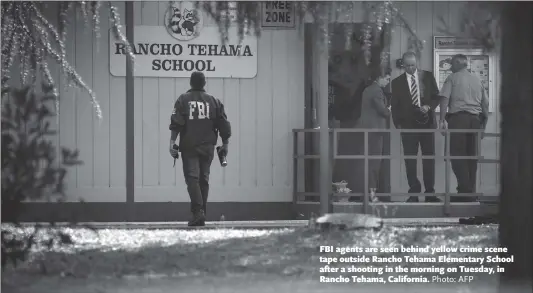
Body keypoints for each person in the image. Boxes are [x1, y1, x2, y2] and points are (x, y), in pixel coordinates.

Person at [169, 71, 231, 226]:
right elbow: (223, 124)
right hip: (208, 147)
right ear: (204, 84)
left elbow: (177, 122)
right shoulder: (214, 101)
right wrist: (225, 144)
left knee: (192, 178)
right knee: (204, 179)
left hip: (189, 145)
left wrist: (172, 142)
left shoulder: (183, 100)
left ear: (191, 83)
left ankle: (198, 212)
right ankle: (201, 212)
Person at [390, 51, 441, 203]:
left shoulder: (427, 76)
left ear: (417, 63)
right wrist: (398, 124)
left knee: (429, 158)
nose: (411, 68)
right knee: (410, 160)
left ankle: (430, 193)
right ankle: (413, 192)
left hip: (426, 123)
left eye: (413, 65)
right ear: (403, 65)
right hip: (408, 126)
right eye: (407, 66)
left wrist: (429, 107)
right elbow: (395, 106)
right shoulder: (397, 82)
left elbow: (436, 97)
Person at [438, 54, 489, 202]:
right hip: (475, 121)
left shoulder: (452, 78)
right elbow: (485, 105)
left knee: (457, 155)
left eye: (452, 64)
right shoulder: (477, 80)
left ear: (457, 64)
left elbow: (445, 98)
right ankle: (469, 192)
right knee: (471, 157)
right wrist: (483, 126)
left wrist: (441, 120)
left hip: (458, 120)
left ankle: (464, 192)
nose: (451, 67)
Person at [359, 69, 392, 202]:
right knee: (375, 161)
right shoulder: (376, 91)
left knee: (370, 160)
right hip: (375, 130)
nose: (388, 82)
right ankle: (371, 193)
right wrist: (389, 108)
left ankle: (369, 191)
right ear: (380, 77)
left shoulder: (368, 90)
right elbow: (383, 111)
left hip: (368, 130)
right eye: (387, 79)